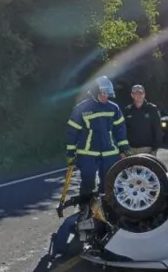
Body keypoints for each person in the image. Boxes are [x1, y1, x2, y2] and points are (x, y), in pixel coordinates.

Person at [66, 76, 131, 217]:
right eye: (103, 93)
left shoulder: (114, 108)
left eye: (107, 93)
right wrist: (70, 153)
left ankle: (107, 210)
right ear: (95, 92)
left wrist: (125, 149)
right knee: (87, 182)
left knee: (108, 183)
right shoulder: (82, 108)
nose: (105, 96)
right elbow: (72, 132)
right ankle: (85, 209)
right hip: (88, 153)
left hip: (109, 153)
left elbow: (120, 130)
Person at [123, 84, 162, 156]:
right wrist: (124, 149)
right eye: (136, 93)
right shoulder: (127, 110)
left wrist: (155, 149)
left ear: (144, 94)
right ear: (132, 95)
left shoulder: (152, 109)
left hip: (147, 149)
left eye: (140, 93)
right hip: (131, 149)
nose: (138, 95)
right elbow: (123, 130)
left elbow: (158, 129)